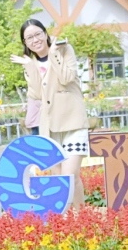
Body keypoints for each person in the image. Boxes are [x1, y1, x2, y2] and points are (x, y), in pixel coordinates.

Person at [11, 18, 89, 207]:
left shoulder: (63, 50)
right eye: (29, 37)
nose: (35, 39)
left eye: (38, 33)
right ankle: (68, 219)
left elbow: (67, 77)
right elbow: (37, 94)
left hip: (73, 123)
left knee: (70, 175)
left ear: (45, 34)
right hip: (49, 128)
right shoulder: (31, 63)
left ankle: (80, 218)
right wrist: (30, 67)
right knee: (57, 177)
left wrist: (54, 54)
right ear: (25, 42)